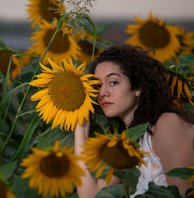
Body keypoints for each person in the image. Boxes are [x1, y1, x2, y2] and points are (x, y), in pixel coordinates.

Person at [74, 44, 194, 197]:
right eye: (97, 85)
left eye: (113, 82)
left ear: (138, 87)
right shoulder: (128, 141)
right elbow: (92, 195)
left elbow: (183, 194)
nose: (102, 93)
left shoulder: (167, 123)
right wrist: (81, 127)